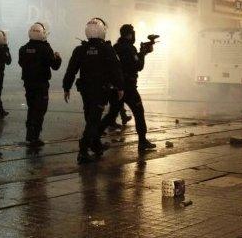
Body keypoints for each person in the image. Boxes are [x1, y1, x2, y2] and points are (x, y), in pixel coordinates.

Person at [63, 18, 124, 164]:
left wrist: (66, 87)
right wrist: (120, 86)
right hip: (100, 90)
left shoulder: (80, 50)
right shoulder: (107, 49)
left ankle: (96, 146)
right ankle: (83, 151)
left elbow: (71, 70)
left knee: (89, 116)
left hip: (85, 90)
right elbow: (115, 69)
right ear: (102, 31)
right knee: (93, 120)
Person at [101, 24, 156, 151]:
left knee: (111, 115)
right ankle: (142, 141)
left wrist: (141, 52)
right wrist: (142, 53)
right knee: (139, 112)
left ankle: (93, 138)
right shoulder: (129, 48)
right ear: (130, 34)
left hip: (117, 87)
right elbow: (138, 66)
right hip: (129, 87)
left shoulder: (116, 47)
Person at [18, 22, 61, 147]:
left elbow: (22, 63)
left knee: (31, 108)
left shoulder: (23, 48)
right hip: (41, 84)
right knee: (40, 109)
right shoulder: (45, 48)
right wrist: (58, 57)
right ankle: (35, 137)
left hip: (28, 84)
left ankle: (29, 135)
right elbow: (55, 66)